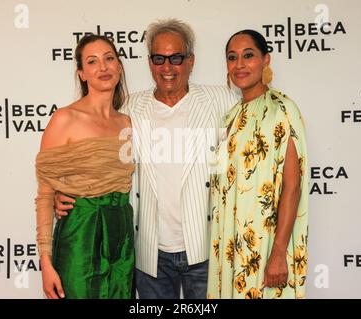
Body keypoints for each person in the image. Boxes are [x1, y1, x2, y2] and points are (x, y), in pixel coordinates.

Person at [55, 19, 238, 299]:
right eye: (158, 58)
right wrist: (65, 191)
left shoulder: (222, 100)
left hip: (204, 246)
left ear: (190, 61)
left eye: (176, 58)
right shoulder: (128, 109)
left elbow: (253, 148)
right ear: (149, 62)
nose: (167, 67)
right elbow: (97, 158)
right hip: (149, 252)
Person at [207, 29, 309, 299]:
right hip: (230, 246)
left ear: (266, 60)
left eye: (248, 55)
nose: (239, 64)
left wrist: (277, 254)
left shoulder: (283, 110)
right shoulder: (229, 116)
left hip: (264, 249)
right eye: (232, 57)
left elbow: (292, 187)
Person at [34, 34, 134, 299]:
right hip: (81, 234)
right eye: (92, 61)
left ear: (119, 67)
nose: (103, 67)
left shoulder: (126, 122)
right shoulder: (65, 119)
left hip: (121, 233)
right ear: (82, 73)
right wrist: (46, 263)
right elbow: (45, 194)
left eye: (109, 58)